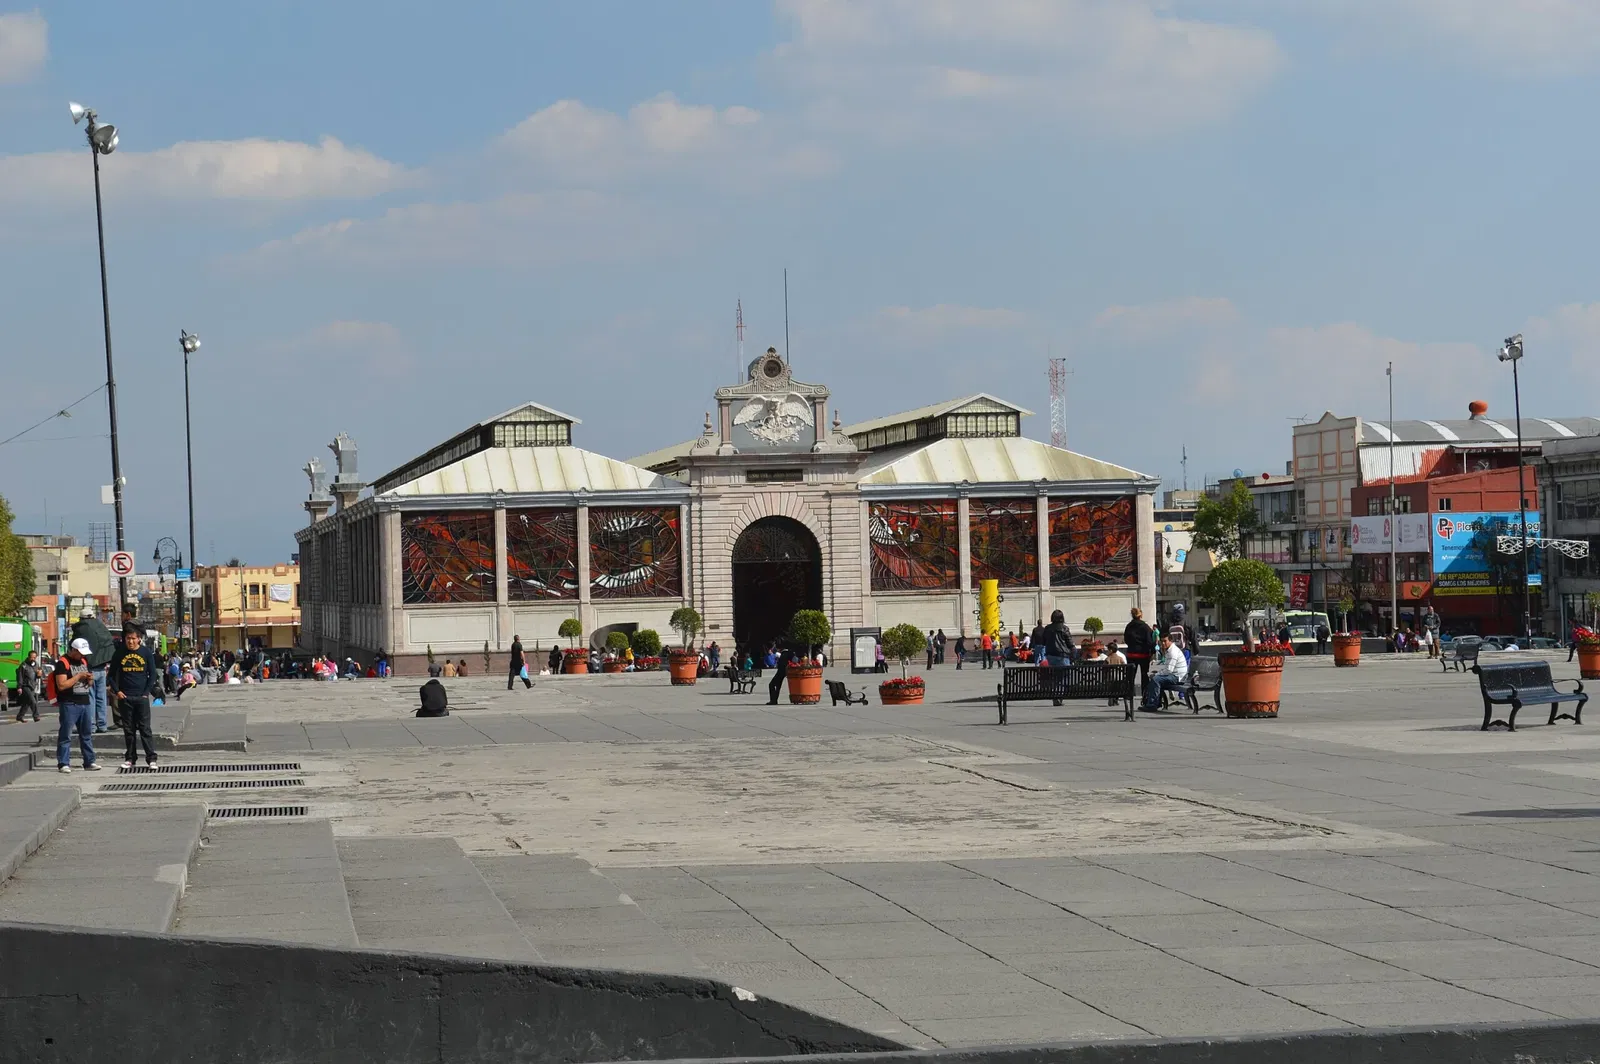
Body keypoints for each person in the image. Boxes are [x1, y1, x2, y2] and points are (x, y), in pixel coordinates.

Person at [109, 623, 160, 769]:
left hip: (141, 698)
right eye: (127, 638)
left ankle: (151, 758)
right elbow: (111, 676)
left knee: (145, 729)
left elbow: (152, 675)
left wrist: (146, 693)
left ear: (139, 639)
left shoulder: (146, 653)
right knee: (129, 730)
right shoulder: (119, 653)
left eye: (133, 638)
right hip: (125, 697)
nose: (130, 641)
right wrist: (117, 691)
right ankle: (130, 758)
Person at [54, 638, 100, 773]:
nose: (83, 656)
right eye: (80, 653)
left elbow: (90, 684)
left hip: (84, 702)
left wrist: (90, 679)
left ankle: (89, 761)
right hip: (69, 703)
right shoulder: (63, 663)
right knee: (66, 734)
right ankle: (63, 763)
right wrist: (78, 676)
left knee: (86, 734)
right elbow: (61, 685)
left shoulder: (84, 661)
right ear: (73, 650)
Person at [70, 610, 115, 733]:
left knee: (90, 698)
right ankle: (102, 724)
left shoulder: (82, 628)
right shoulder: (101, 626)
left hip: (89, 668)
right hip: (102, 668)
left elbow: (74, 644)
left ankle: (91, 725)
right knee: (101, 698)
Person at [1141, 633, 1189, 712]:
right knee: (1156, 678)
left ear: (1170, 641)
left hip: (1177, 677)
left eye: (1165, 641)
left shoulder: (1172, 652)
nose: (1163, 643)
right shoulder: (1168, 650)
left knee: (1156, 679)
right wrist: (1158, 673)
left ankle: (1152, 705)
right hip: (1174, 674)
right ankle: (1156, 702)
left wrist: (1156, 674)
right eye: (1161, 641)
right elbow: (1167, 669)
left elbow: (1169, 670)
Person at [14, 650, 39, 723]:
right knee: (33, 701)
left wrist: (39, 675)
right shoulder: (23, 665)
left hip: (32, 686)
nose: (33, 659)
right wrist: (19, 687)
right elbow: (20, 677)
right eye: (32, 657)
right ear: (28, 657)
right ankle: (36, 716)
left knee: (26, 703)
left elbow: (38, 675)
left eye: (34, 657)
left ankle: (19, 716)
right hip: (25, 686)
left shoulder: (36, 665)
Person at [1103, 640, 1128, 706]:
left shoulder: (1108, 659)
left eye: (1107, 650)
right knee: (1117, 688)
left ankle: (1111, 700)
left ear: (1111, 650)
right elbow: (1124, 666)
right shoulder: (1120, 658)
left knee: (1111, 688)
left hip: (1111, 677)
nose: (1107, 651)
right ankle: (1115, 700)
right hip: (1119, 677)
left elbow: (1104, 668)